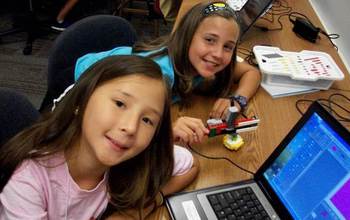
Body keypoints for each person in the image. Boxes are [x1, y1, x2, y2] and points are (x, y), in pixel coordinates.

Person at [0, 55, 199, 219]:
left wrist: (131, 213)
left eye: (147, 120)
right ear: (81, 101)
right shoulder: (28, 181)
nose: (130, 127)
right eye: (120, 104)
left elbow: (190, 165)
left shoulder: (134, 159)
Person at [74, 1, 261, 146]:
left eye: (228, 46)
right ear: (187, 36)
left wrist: (238, 99)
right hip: (82, 90)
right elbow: (122, 132)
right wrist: (168, 133)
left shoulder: (200, 60)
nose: (218, 54)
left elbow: (251, 73)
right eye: (210, 40)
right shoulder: (158, 76)